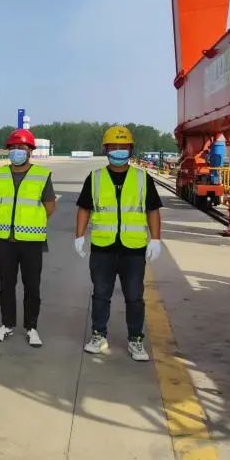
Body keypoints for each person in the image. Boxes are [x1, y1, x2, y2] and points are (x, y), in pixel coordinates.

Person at [75, 125, 162, 362]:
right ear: (106, 149)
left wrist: (155, 239)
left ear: (131, 149)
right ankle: (98, 335)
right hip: (102, 248)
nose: (118, 150)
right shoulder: (95, 178)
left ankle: (135, 339)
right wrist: (79, 236)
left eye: (123, 146)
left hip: (133, 250)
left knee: (134, 296)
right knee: (101, 294)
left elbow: (153, 210)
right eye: (113, 146)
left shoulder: (142, 178)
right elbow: (84, 209)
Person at [0, 129, 56, 348]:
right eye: (13, 148)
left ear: (30, 151)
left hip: (32, 242)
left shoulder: (42, 175)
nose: (17, 151)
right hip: (5, 241)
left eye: (21, 148)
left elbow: (50, 207)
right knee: (6, 285)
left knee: (32, 286)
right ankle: (7, 324)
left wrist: (30, 221)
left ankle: (31, 327)